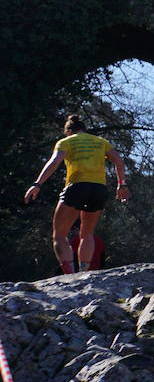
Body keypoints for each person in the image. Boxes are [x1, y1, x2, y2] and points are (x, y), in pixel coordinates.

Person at [23, 114, 130, 274]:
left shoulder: (65, 142)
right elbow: (119, 162)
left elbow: (54, 161)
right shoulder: (101, 142)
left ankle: (69, 275)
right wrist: (122, 185)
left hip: (77, 187)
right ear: (84, 129)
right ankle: (84, 273)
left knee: (59, 235)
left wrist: (37, 184)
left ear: (68, 131)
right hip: (99, 189)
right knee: (87, 234)